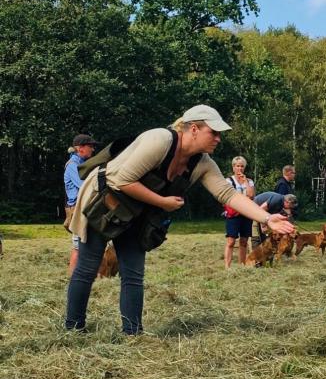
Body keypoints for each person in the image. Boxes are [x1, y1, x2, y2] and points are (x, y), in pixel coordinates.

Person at [65, 105, 294, 335]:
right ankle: (73, 329)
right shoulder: (160, 140)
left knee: (133, 274)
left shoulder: (202, 162)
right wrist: (162, 202)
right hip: (104, 200)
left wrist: (267, 217)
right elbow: (124, 180)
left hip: (136, 212)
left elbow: (228, 194)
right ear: (194, 129)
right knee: (87, 267)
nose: (218, 139)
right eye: (213, 132)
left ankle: (132, 334)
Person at [64, 134, 98, 275]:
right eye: (90, 146)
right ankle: (72, 277)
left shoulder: (80, 164)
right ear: (80, 148)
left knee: (84, 245)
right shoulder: (73, 166)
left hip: (83, 208)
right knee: (78, 246)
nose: (93, 149)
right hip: (78, 209)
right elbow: (84, 186)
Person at [223, 156, 255, 268]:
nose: (239, 168)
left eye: (242, 166)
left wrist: (245, 181)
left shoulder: (249, 181)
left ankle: (242, 265)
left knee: (244, 240)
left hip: (246, 214)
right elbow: (227, 197)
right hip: (233, 214)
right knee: (231, 241)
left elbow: (251, 195)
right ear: (233, 167)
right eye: (237, 166)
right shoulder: (228, 181)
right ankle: (227, 266)